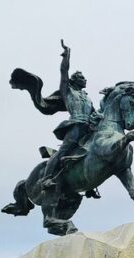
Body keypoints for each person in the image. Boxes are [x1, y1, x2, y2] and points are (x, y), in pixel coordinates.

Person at [42, 39, 100, 191]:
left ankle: (91, 185)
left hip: (88, 129)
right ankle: (47, 179)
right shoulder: (67, 91)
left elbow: (95, 113)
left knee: (95, 152)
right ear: (75, 80)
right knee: (63, 152)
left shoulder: (86, 97)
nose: (85, 79)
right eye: (82, 77)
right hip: (75, 126)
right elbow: (64, 72)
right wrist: (66, 55)